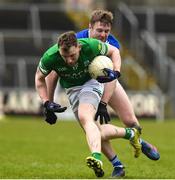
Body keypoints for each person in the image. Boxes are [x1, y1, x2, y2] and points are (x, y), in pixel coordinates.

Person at [45, 9, 160, 178]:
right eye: (99, 30)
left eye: (107, 31)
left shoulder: (112, 44)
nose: (103, 35)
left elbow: (112, 75)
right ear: (90, 27)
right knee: (92, 128)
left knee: (130, 120)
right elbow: (54, 72)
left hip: (106, 81)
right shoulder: (75, 41)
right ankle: (117, 165)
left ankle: (138, 140)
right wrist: (48, 101)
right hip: (81, 85)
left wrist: (104, 103)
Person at [35, 31, 141, 178]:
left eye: (72, 56)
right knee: (95, 131)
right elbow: (39, 78)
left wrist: (116, 71)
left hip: (91, 81)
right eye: (65, 57)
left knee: (85, 117)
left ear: (78, 47)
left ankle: (96, 157)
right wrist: (46, 102)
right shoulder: (50, 57)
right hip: (72, 89)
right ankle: (129, 136)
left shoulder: (91, 46)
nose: (69, 61)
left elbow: (114, 51)